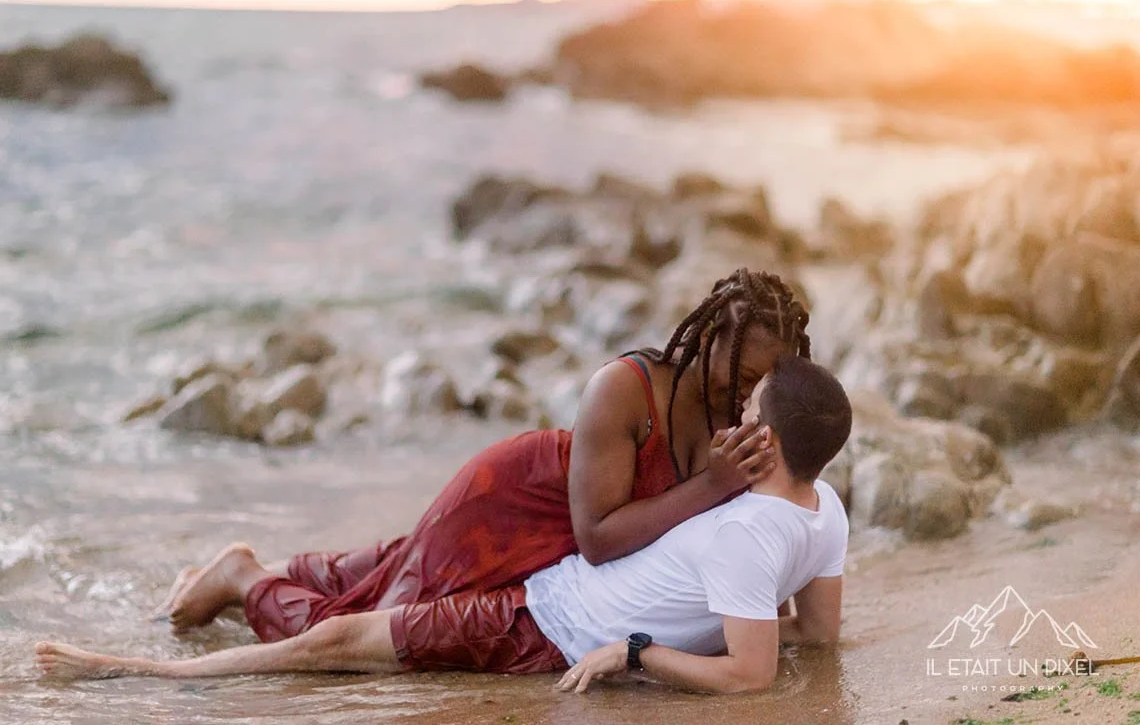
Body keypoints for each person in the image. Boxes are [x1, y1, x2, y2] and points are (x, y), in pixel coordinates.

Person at [36, 355, 852, 697]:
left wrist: (637, 651)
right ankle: (233, 587)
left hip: (544, 624)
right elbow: (811, 634)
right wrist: (716, 621)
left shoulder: (751, 528)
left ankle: (137, 668)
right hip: (547, 562)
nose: (731, 417)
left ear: (771, 441)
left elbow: (755, 677)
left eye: (746, 411)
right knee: (381, 584)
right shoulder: (825, 510)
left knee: (342, 639)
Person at [153, 268, 813, 643]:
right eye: (741, 374)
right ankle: (242, 575)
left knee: (385, 569)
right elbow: (599, 538)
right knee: (356, 622)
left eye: (768, 381)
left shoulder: (754, 414)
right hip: (509, 505)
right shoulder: (628, 390)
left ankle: (245, 570)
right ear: (709, 342)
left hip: (552, 548)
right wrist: (713, 485)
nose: (751, 395)